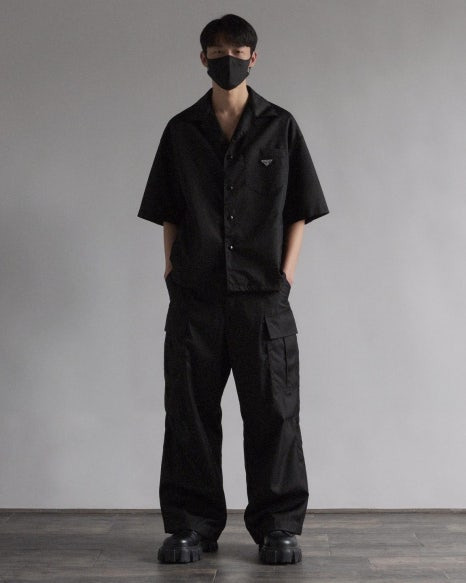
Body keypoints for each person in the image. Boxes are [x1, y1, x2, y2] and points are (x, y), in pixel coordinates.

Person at [137, 13, 329, 565]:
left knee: (274, 412)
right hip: (195, 296)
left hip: (264, 297)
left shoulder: (280, 127)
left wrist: (286, 274)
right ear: (203, 59)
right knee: (189, 414)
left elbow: (299, 209)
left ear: (253, 58)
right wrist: (170, 270)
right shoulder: (181, 130)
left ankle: (279, 526)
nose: (229, 61)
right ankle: (190, 526)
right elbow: (168, 209)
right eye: (218, 53)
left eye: (238, 53)